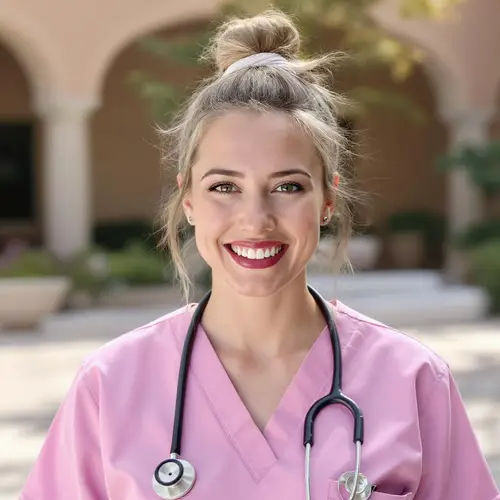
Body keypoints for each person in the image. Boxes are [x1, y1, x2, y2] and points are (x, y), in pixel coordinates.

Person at [20, 9, 499, 500]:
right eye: (224, 186)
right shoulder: (110, 386)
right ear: (188, 200)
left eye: (288, 186)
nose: (256, 218)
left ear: (328, 200)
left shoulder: (411, 381)